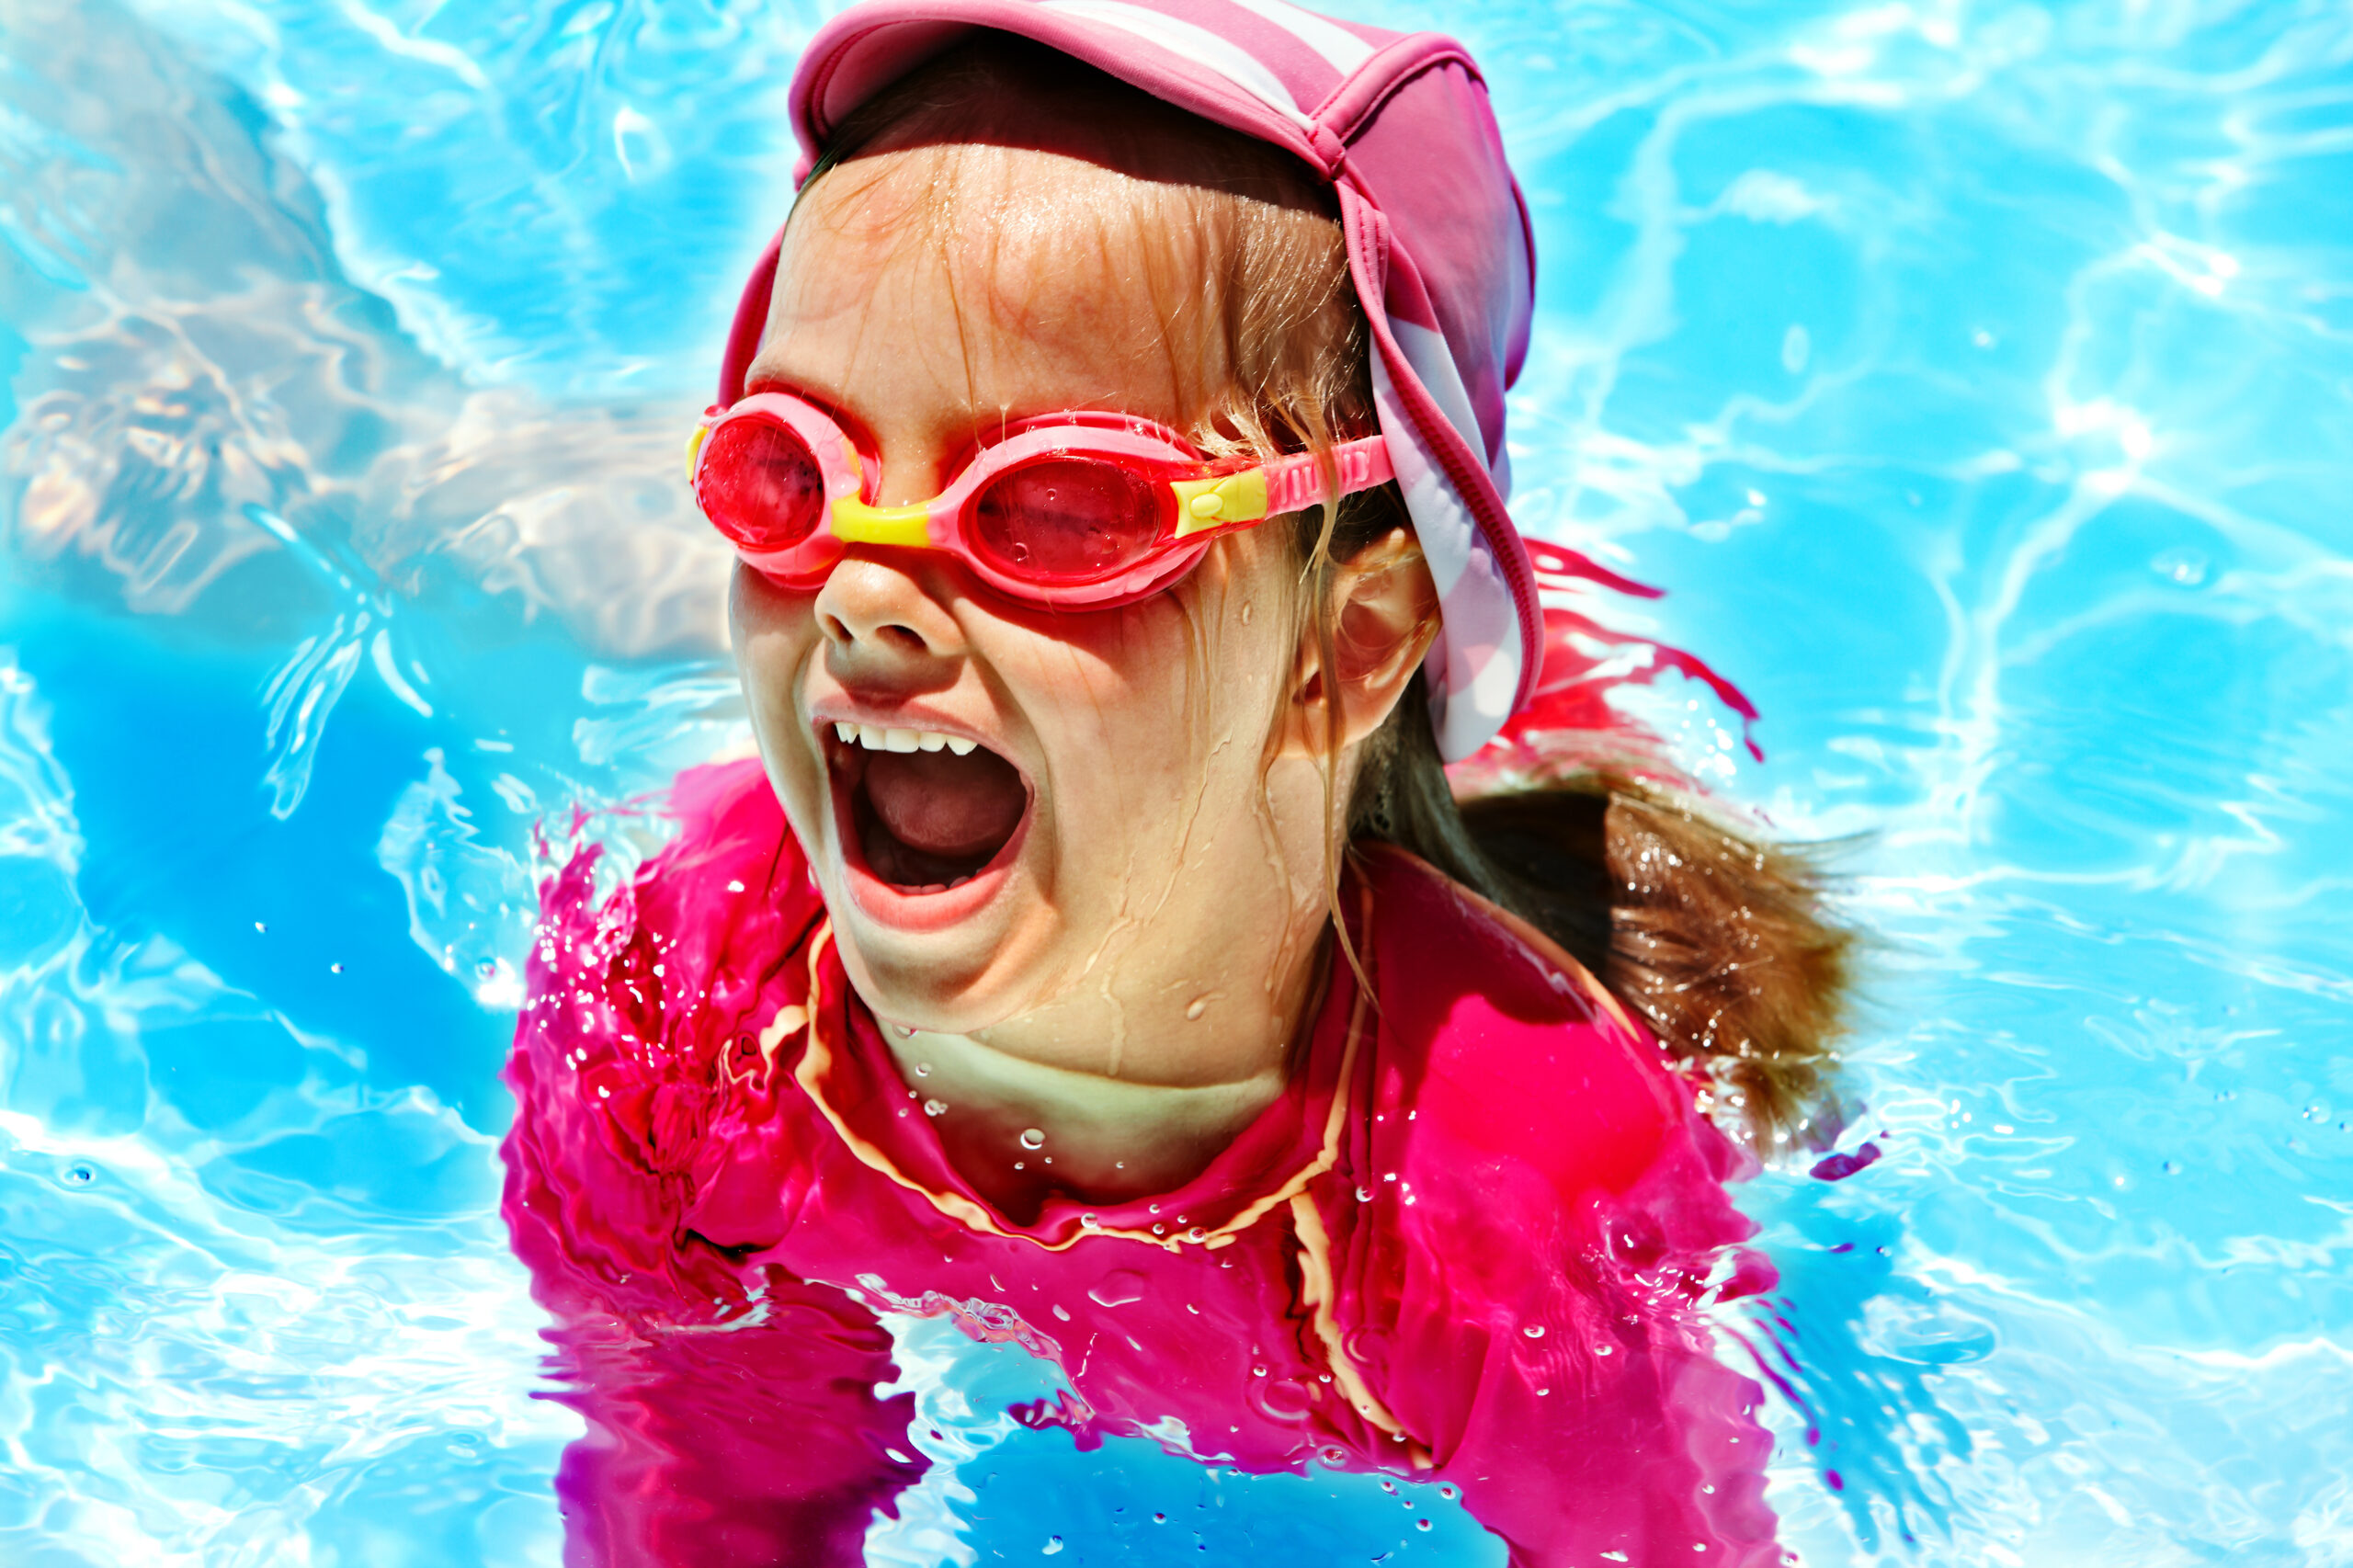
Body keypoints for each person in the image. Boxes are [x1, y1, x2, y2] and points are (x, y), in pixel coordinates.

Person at [499, 5, 1853, 1563]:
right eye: (795, 473)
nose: (867, 592)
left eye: (1065, 507)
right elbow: (701, 1495)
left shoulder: (1512, 1201)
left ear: (1345, 652)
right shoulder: (677, 1008)